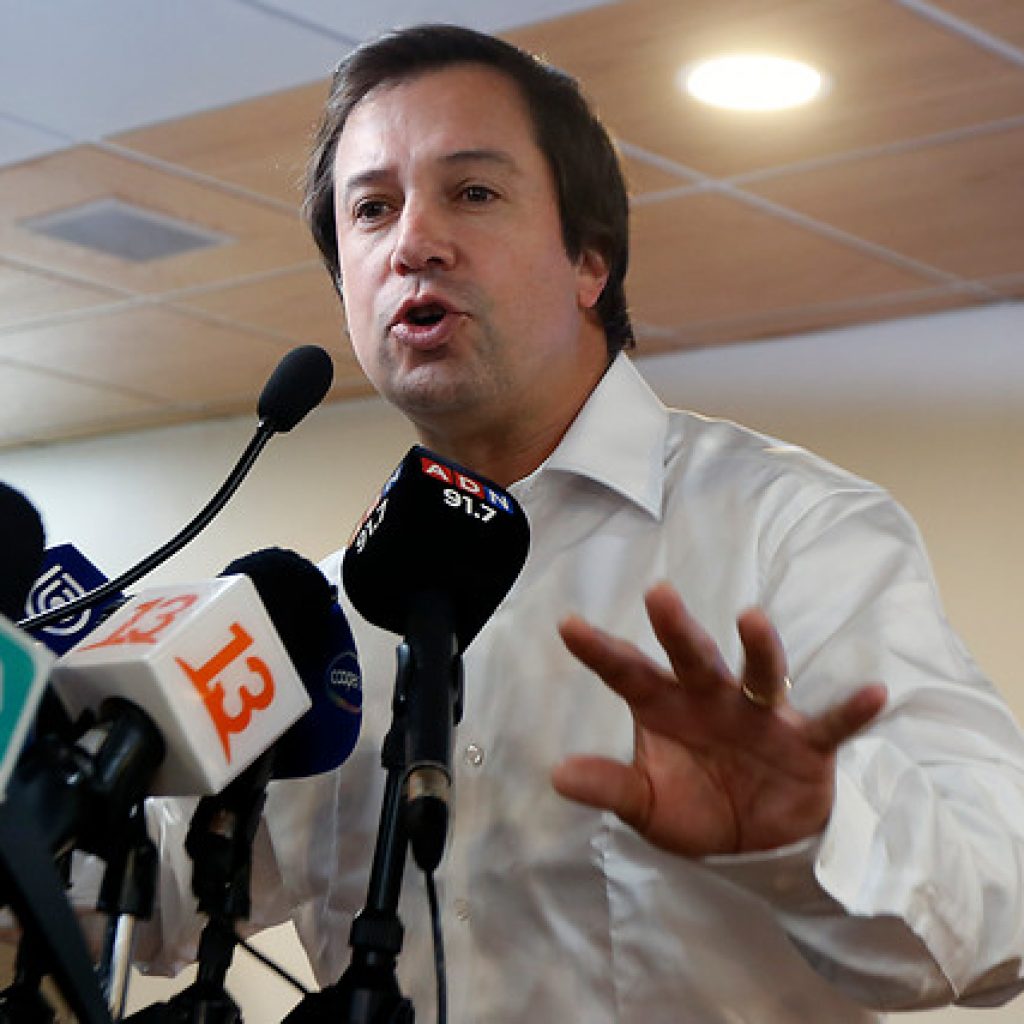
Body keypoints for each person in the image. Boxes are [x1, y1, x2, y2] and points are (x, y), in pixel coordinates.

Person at [141, 23, 1024, 1022]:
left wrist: (809, 834)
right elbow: (141, 896)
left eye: (473, 192)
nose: (413, 242)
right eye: (372, 208)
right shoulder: (319, 621)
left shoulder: (791, 529)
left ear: (589, 262)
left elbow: (1001, 912)